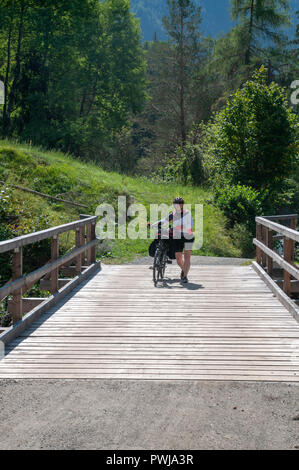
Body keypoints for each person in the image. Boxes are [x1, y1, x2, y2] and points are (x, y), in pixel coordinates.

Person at [148, 197, 194, 283]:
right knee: (178, 259)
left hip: (188, 237)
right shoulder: (173, 214)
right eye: (174, 204)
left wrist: (174, 228)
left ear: (182, 205)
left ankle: (184, 276)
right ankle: (184, 271)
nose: (175, 206)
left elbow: (189, 225)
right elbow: (164, 220)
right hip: (177, 237)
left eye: (177, 204)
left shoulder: (187, 213)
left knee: (187, 257)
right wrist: (152, 225)